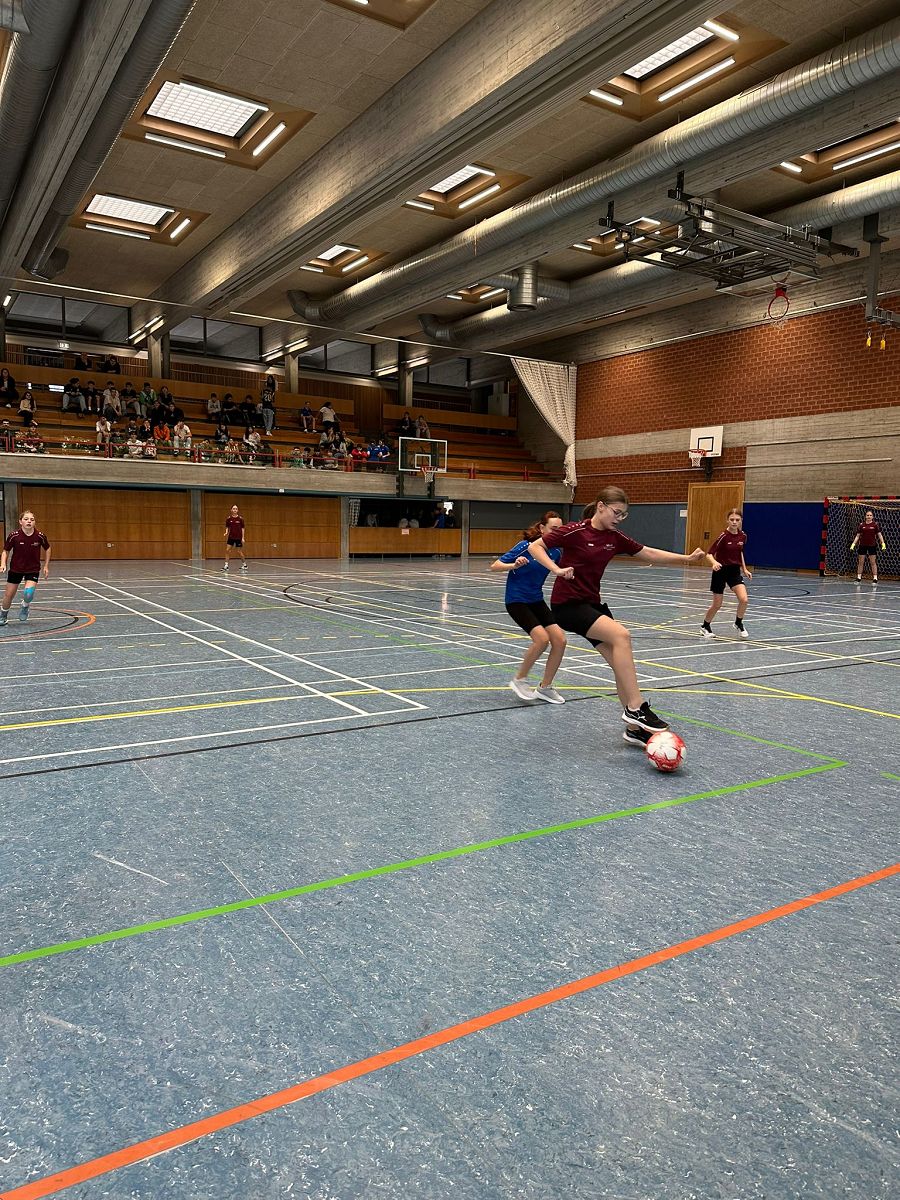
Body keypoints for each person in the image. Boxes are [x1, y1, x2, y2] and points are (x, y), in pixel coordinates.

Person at [529, 486, 717, 736]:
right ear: (600, 507)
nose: (619, 518)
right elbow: (535, 547)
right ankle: (636, 707)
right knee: (622, 635)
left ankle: (634, 729)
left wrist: (686, 559)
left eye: (623, 515)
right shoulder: (575, 531)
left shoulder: (614, 537)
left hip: (592, 605)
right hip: (568, 605)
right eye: (616, 512)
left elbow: (648, 552)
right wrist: (557, 569)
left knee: (621, 664)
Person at [492, 511, 568, 704]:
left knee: (560, 640)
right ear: (542, 528)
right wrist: (514, 565)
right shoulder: (525, 547)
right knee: (541, 639)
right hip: (516, 600)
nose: (557, 533)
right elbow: (495, 565)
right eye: (553, 529)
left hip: (536, 600)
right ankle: (519, 679)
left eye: (560, 530)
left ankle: (545, 688)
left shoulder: (556, 552)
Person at [701, 508, 752, 640]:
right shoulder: (723, 536)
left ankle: (738, 623)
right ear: (727, 520)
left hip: (734, 571)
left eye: (737, 520)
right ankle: (705, 626)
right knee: (717, 604)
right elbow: (709, 554)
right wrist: (714, 563)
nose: (734, 522)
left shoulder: (743, 536)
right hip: (720, 571)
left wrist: (745, 569)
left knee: (744, 599)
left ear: (741, 521)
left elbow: (740, 552)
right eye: (732, 519)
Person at [1, 510, 50, 625]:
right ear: (20, 521)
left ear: (34, 522)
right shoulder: (14, 536)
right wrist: (3, 563)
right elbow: (5, 551)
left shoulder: (40, 536)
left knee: (28, 593)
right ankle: (3, 615)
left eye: (32, 519)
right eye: (26, 519)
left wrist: (46, 565)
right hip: (16, 569)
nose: (29, 521)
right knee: (9, 595)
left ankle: (25, 605)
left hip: (32, 569)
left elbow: (47, 548)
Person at [851, 509, 886, 584]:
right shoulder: (861, 525)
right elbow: (857, 536)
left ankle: (875, 578)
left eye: (870, 515)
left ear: (872, 517)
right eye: (867, 515)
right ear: (865, 516)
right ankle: (859, 577)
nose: (869, 516)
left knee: (873, 562)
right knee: (861, 562)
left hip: (872, 546)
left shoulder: (875, 525)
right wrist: (853, 544)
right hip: (862, 545)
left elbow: (879, 535)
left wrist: (883, 543)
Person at [223, 505, 248, 571]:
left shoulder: (240, 519)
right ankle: (226, 565)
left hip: (238, 538)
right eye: (233, 509)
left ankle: (244, 565)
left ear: (237, 510)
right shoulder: (229, 519)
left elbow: (243, 528)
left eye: (236, 509)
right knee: (227, 550)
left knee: (239, 551)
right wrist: (226, 532)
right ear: (231, 510)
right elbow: (227, 527)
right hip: (231, 537)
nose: (235, 510)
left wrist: (243, 538)